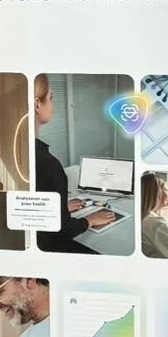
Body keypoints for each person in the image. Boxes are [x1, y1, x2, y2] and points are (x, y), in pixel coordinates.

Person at [31, 73, 106, 253]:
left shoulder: (20, 154)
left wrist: (60, 210)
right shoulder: (49, 165)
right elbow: (60, 232)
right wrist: (88, 220)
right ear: (37, 104)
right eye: (51, 98)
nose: (53, 104)